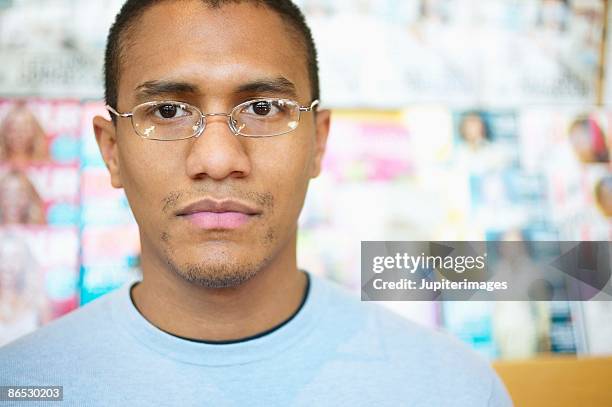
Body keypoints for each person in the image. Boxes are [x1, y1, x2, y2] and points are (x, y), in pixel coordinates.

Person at [0, 1, 511, 406]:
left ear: (318, 142)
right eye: (169, 110)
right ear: (111, 151)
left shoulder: (453, 389)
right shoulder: (22, 386)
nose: (219, 159)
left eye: (264, 108)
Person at [0, 101, 49, 167]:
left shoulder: (46, 163)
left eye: (24, 130)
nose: (18, 136)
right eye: (13, 130)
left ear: (35, 132)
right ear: (4, 132)